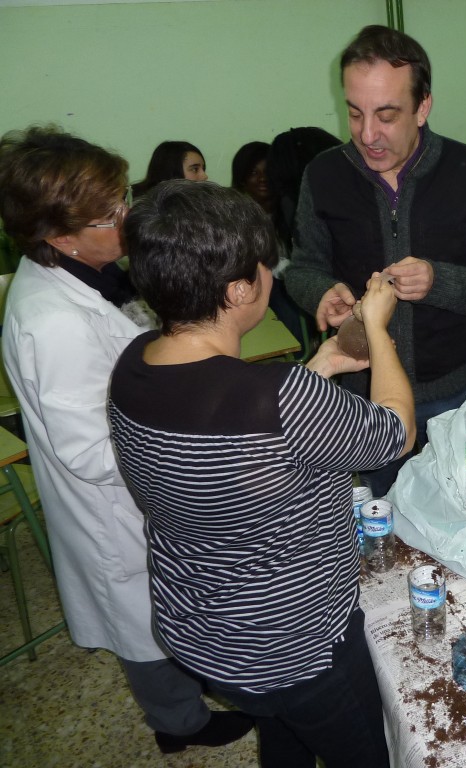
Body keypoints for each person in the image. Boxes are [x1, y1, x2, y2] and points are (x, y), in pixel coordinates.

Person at [109, 180, 414, 767]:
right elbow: (393, 431)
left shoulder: (134, 364)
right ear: (240, 287)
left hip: (203, 633)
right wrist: (377, 327)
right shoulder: (279, 398)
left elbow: (238, 430)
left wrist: (319, 366)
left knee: (287, 736)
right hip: (294, 647)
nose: (272, 276)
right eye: (266, 267)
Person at [0, 126, 252, 753]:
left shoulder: (82, 277)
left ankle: (187, 703)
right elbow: (86, 450)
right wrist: (176, 446)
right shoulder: (53, 322)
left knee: (161, 610)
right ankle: (178, 725)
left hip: (133, 496)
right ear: (57, 236)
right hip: (112, 509)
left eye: (122, 198)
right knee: (142, 623)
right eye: (110, 214)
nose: (127, 218)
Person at [285, 24, 466, 496]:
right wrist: (321, 292)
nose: (367, 134)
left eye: (387, 115)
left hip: (452, 393)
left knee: (458, 512)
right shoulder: (324, 175)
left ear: (423, 107)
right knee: (385, 519)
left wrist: (439, 281)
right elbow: (302, 268)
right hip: (363, 398)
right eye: (355, 114)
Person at [232, 139, 308, 348]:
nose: (262, 179)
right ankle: (298, 352)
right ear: (242, 178)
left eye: (267, 172)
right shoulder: (235, 213)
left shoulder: (293, 206)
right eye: (253, 173)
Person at [133, 140, 208, 196]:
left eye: (203, 169)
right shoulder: (143, 207)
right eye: (195, 169)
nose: (205, 176)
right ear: (171, 171)